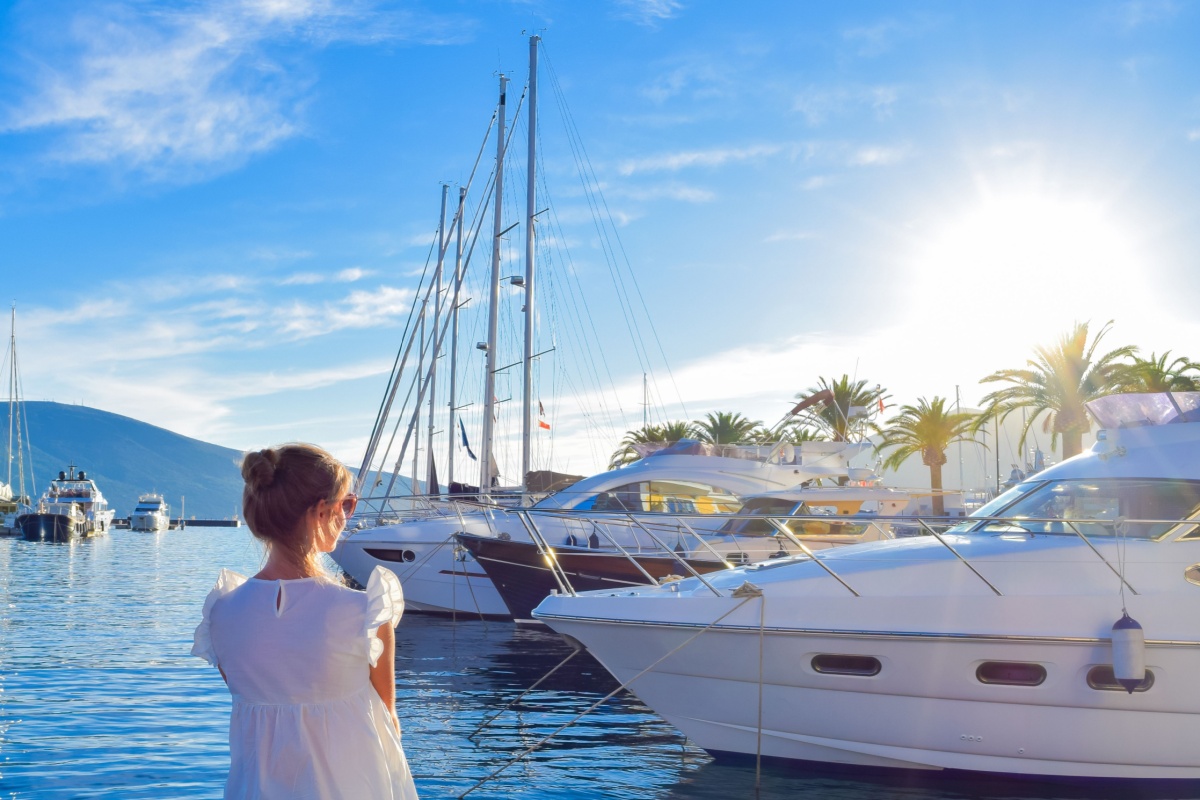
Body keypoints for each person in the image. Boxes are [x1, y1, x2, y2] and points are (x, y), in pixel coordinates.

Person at [192, 443, 418, 799]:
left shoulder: (222, 614)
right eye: (347, 504)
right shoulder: (364, 613)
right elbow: (388, 726)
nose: (348, 515)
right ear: (320, 511)